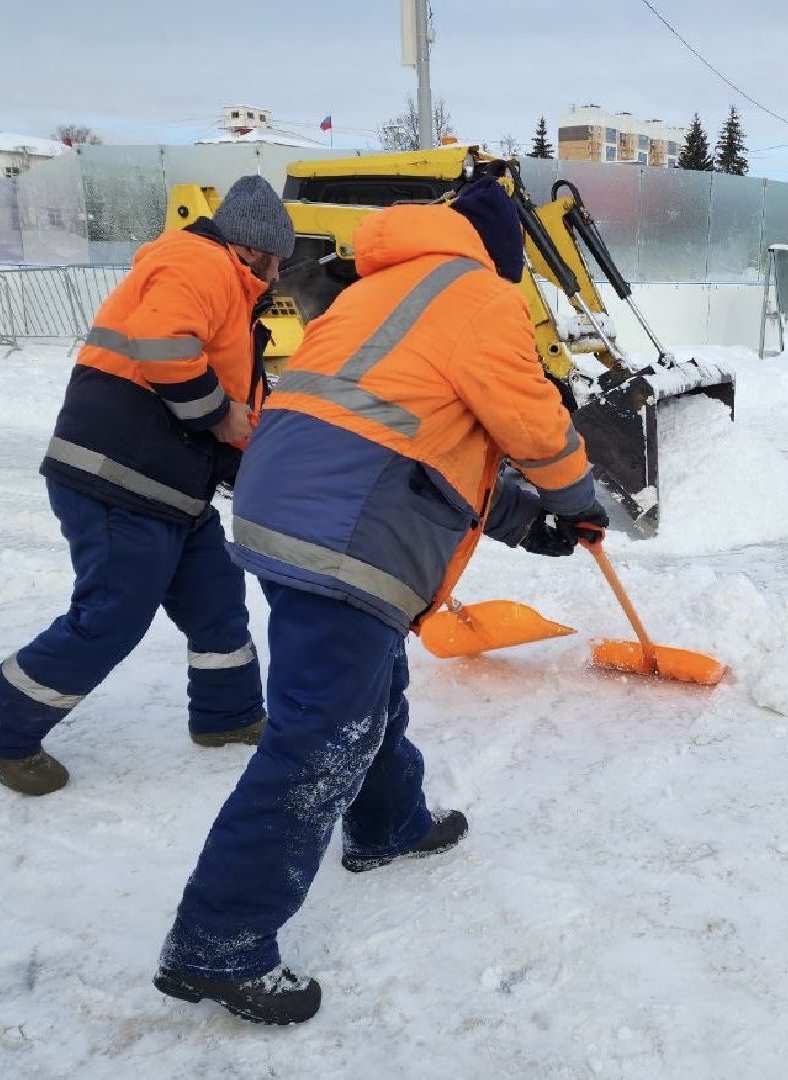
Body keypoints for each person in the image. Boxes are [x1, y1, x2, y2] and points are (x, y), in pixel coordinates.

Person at [154, 175, 609, 1024]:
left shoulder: (384, 290)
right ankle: (219, 943)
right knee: (319, 737)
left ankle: (389, 823)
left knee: (368, 683)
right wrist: (578, 499)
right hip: (345, 521)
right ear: (504, 257)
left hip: (294, 499)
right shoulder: (480, 297)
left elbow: (425, 436)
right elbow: (528, 421)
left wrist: (527, 524)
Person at [0, 175, 295, 796]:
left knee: (216, 601)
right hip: (117, 480)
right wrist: (221, 416)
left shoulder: (225, 286)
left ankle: (230, 718)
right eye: (276, 265)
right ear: (255, 251)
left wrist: (257, 457)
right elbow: (165, 349)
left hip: (171, 490)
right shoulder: (198, 263)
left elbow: (231, 395)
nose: (277, 279)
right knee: (112, 614)